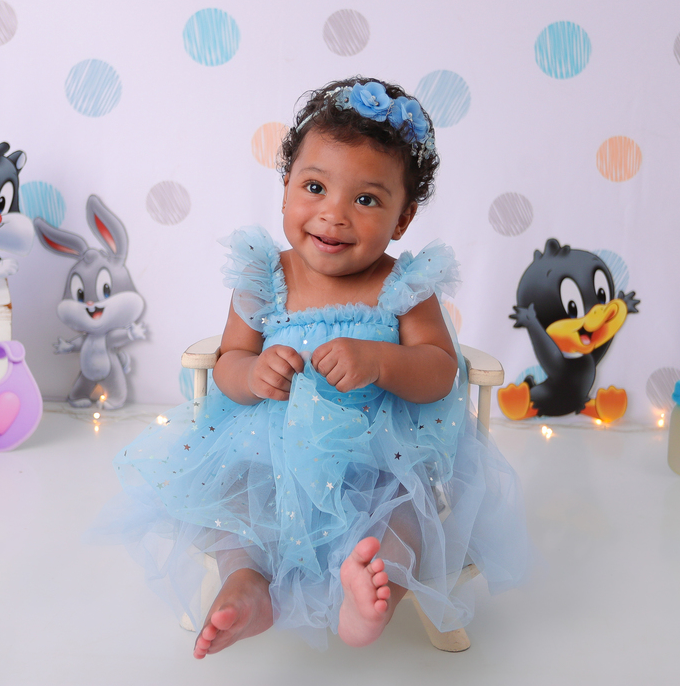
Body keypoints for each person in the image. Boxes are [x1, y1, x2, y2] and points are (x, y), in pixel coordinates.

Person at [105, 78, 527, 656]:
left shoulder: (403, 286)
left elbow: (438, 370)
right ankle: (247, 584)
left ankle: (369, 600)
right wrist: (252, 373)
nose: (334, 214)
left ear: (403, 219)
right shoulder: (263, 276)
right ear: (285, 190)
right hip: (268, 455)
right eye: (315, 187)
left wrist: (380, 360)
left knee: (407, 517)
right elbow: (229, 361)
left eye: (367, 200)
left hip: (381, 463)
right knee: (234, 503)